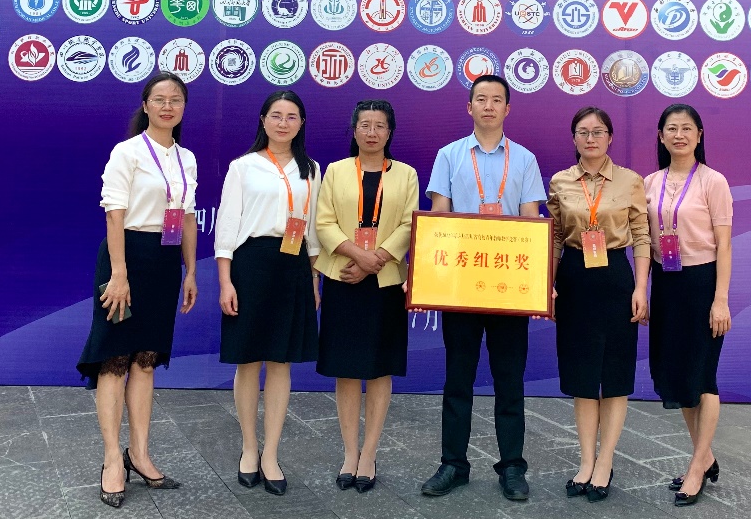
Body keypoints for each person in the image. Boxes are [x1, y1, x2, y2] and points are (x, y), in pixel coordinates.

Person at [420, 74, 547, 502]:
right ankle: (453, 464)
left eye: (496, 100)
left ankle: (512, 466)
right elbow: (439, 217)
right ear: (469, 107)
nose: (488, 106)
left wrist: (536, 284)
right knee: (458, 378)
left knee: (510, 379)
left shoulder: (524, 159)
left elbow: (530, 220)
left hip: (509, 286)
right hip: (461, 285)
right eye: (481, 99)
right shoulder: (449, 155)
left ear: (507, 109)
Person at [77, 72, 199, 509]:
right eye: (159, 99)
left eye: (176, 99)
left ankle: (140, 454)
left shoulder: (187, 158)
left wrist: (190, 271)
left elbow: (186, 217)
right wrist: (119, 273)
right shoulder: (127, 152)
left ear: (183, 108)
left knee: (145, 361)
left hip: (164, 263)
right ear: (146, 105)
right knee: (114, 360)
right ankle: (113, 458)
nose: (168, 106)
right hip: (125, 258)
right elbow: (114, 215)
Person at [216, 90, 321, 497]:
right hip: (251, 266)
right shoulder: (243, 167)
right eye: (276, 115)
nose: (283, 123)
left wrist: (314, 280)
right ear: (263, 120)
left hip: (293, 267)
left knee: (281, 362)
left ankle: (271, 454)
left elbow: (313, 231)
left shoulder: (311, 169)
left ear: (301, 123)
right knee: (248, 361)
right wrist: (226, 281)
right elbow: (227, 227)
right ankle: (248, 447)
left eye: (291, 116)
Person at [315, 99, 419, 493]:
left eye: (379, 125)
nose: (372, 132)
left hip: (385, 282)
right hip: (343, 277)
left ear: (389, 132)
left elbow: (410, 224)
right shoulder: (336, 171)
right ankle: (349, 452)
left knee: (378, 369)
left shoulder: (406, 174)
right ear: (354, 130)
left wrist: (375, 259)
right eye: (364, 125)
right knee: (346, 369)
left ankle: (369, 453)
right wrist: (358, 256)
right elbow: (324, 222)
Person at [546, 107, 650, 503]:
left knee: (615, 374)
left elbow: (642, 235)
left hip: (616, 278)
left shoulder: (630, 180)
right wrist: (547, 283)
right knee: (583, 375)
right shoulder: (561, 181)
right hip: (575, 278)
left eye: (598, 131)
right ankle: (586, 461)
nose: (591, 138)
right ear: (573, 137)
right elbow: (555, 237)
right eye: (583, 132)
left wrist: (641, 288)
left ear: (610, 137)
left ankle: (606, 462)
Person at [644, 103, 733, 507]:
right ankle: (706, 456)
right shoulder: (650, 182)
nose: (678, 135)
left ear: (699, 135)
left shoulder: (714, 182)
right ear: (661, 136)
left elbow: (725, 245)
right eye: (671, 128)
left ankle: (696, 468)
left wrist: (720, 299)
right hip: (666, 283)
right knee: (678, 376)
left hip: (702, 283)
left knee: (703, 376)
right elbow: (642, 239)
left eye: (686, 128)